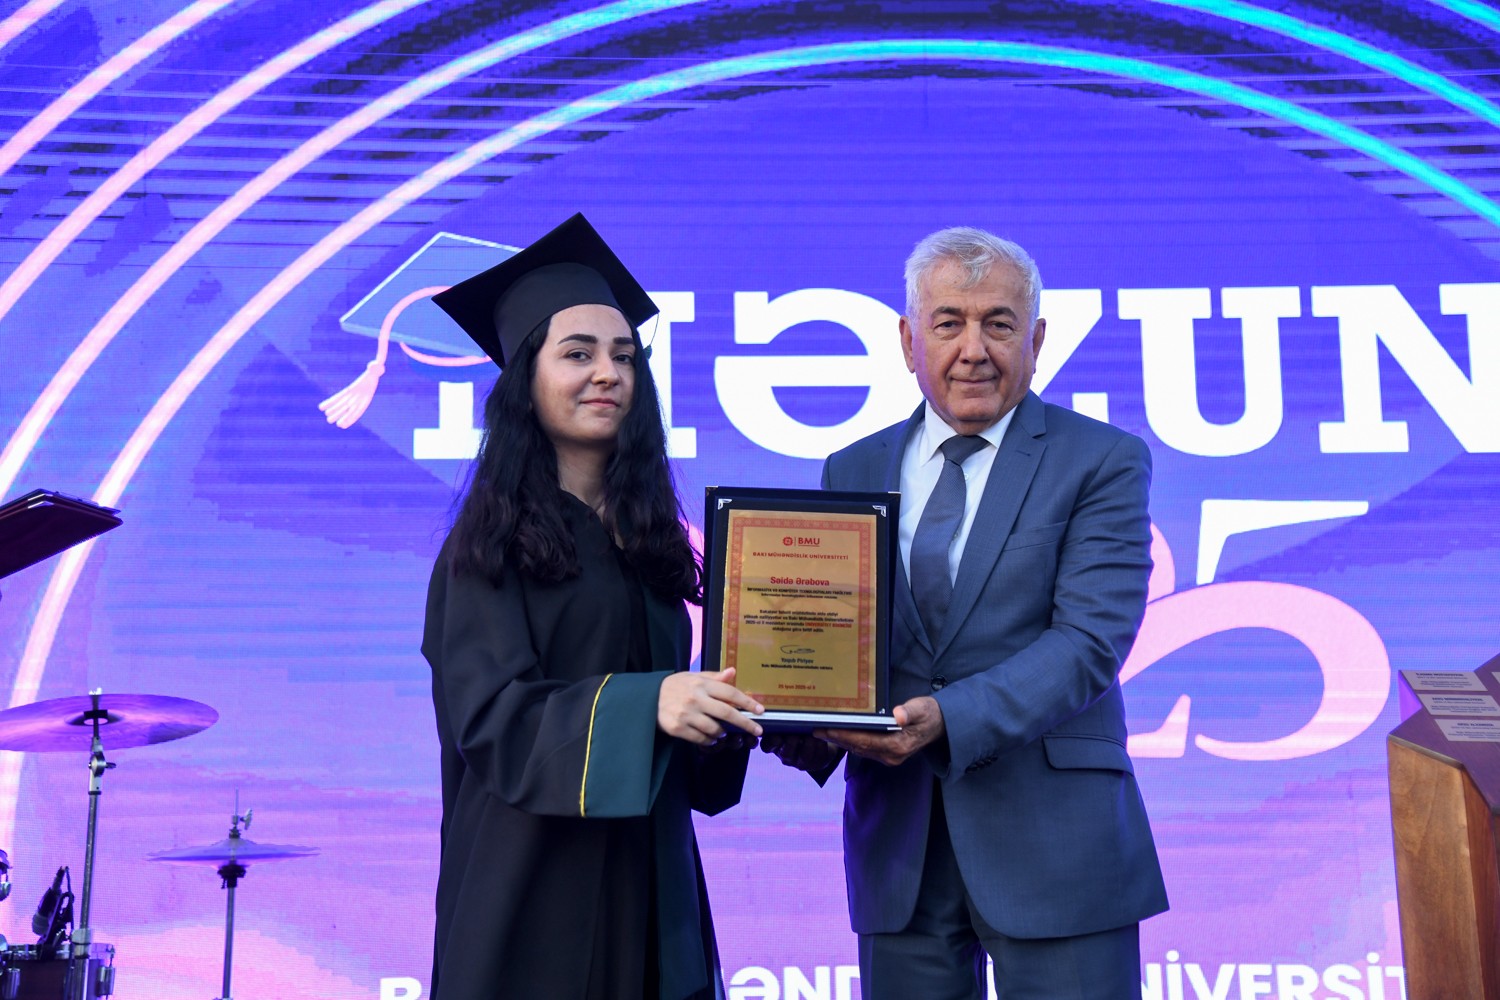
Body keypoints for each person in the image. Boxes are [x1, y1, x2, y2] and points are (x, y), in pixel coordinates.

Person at [765, 227, 1167, 999]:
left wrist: (945, 719)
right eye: (948, 323)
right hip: (900, 848)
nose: (973, 350)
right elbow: (835, 638)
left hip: (1058, 844)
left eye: (999, 324)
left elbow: (1089, 643)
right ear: (908, 340)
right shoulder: (852, 467)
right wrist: (788, 706)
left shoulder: (1103, 460)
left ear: (1036, 341)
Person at [423, 213, 764, 1000]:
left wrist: (729, 714)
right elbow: (493, 719)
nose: (607, 372)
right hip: (531, 893)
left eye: (624, 356)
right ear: (526, 380)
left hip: (653, 886)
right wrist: (652, 703)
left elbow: (681, 754)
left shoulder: (648, 542)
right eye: (577, 354)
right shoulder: (487, 547)